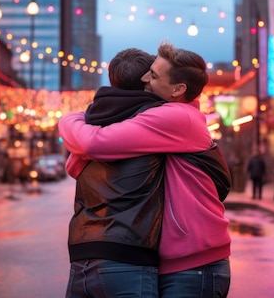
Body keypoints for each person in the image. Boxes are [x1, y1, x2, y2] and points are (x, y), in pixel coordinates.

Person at [60, 41, 232, 298]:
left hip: (195, 263)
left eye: (153, 75)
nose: (145, 79)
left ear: (178, 89)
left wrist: (71, 118)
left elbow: (89, 145)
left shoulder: (176, 117)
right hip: (175, 261)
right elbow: (78, 163)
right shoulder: (160, 117)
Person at [64, 48, 166, 298]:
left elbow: (72, 167)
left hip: (82, 255)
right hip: (128, 256)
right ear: (147, 81)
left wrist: (74, 118)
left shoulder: (90, 121)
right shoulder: (155, 120)